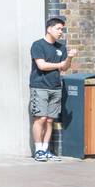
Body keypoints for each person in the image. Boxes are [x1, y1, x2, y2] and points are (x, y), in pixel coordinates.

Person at [29, 17, 76, 162]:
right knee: (40, 118)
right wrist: (60, 64)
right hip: (40, 86)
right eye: (58, 29)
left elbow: (65, 67)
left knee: (50, 120)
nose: (61, 32)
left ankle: (45, 149)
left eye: (62, 29)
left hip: (56, 87)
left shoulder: (61, 47)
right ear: (49, 29)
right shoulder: (38, 45)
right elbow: (42, 66)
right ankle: (38, 151)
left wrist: (69, 58)